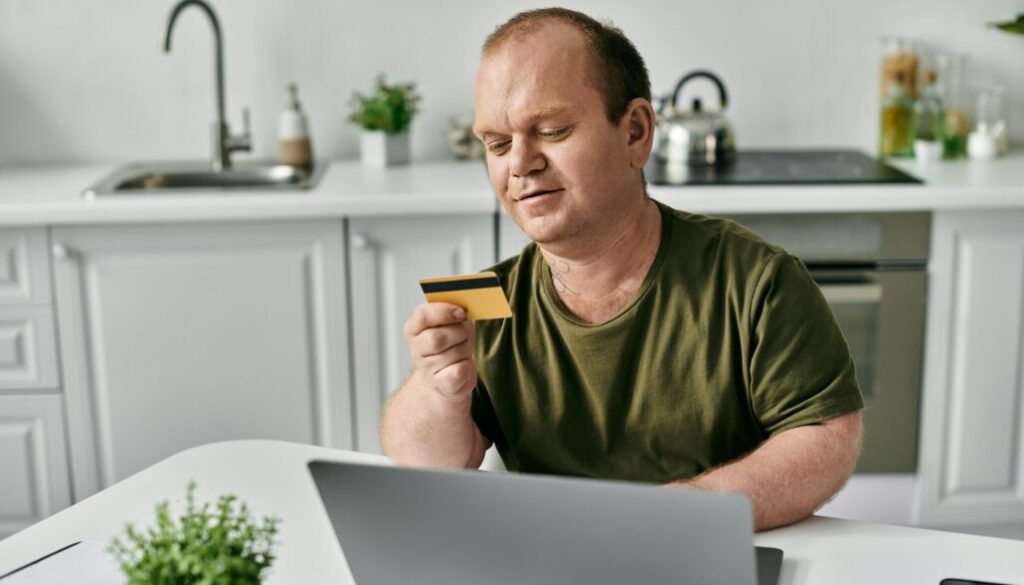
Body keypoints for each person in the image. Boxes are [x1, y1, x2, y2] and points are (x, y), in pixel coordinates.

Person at [379, 7, 863, 531]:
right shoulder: (486, 302)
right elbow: (424, 462)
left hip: (711, 549)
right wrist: (436, 387)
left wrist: (683, 511)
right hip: (550, 555)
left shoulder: (757, 282)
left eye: (552, 130)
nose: (519, 164)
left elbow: (826, 438)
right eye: (497, 144)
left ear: (635, 131)